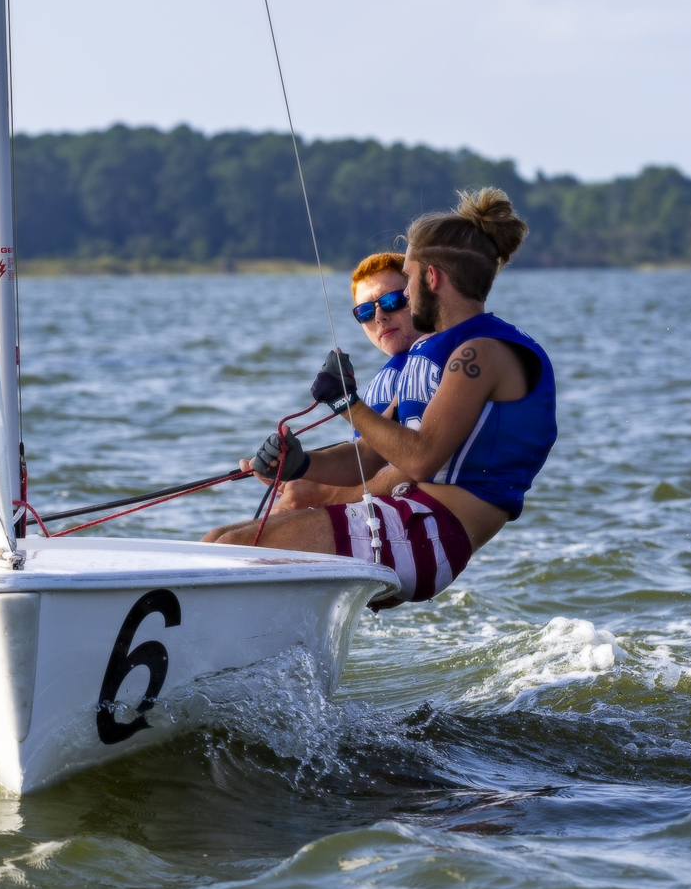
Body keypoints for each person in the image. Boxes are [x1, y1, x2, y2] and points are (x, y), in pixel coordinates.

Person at [203, 188, 555, 610]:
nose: (404, 296)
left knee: (238, 550)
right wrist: (300, 463)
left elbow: (421, 459)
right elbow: (369, 454)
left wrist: (347, 404)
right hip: (407, 523)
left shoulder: (480, 353)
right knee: (219, 542)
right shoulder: (438, 353)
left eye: (406, 280)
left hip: (431, 536)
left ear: (431, 277)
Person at [258, 251, 422, 513]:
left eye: (391, 301)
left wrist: (319, 493)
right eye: (365, 311)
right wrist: (298, 467)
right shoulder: (387, 378)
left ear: (419, 294)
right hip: (378, 512)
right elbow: (365, 456)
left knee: (248, 530)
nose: (379, 317)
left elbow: (418, 466)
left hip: (415, 518)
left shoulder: (439, 360)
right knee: (221, 537)